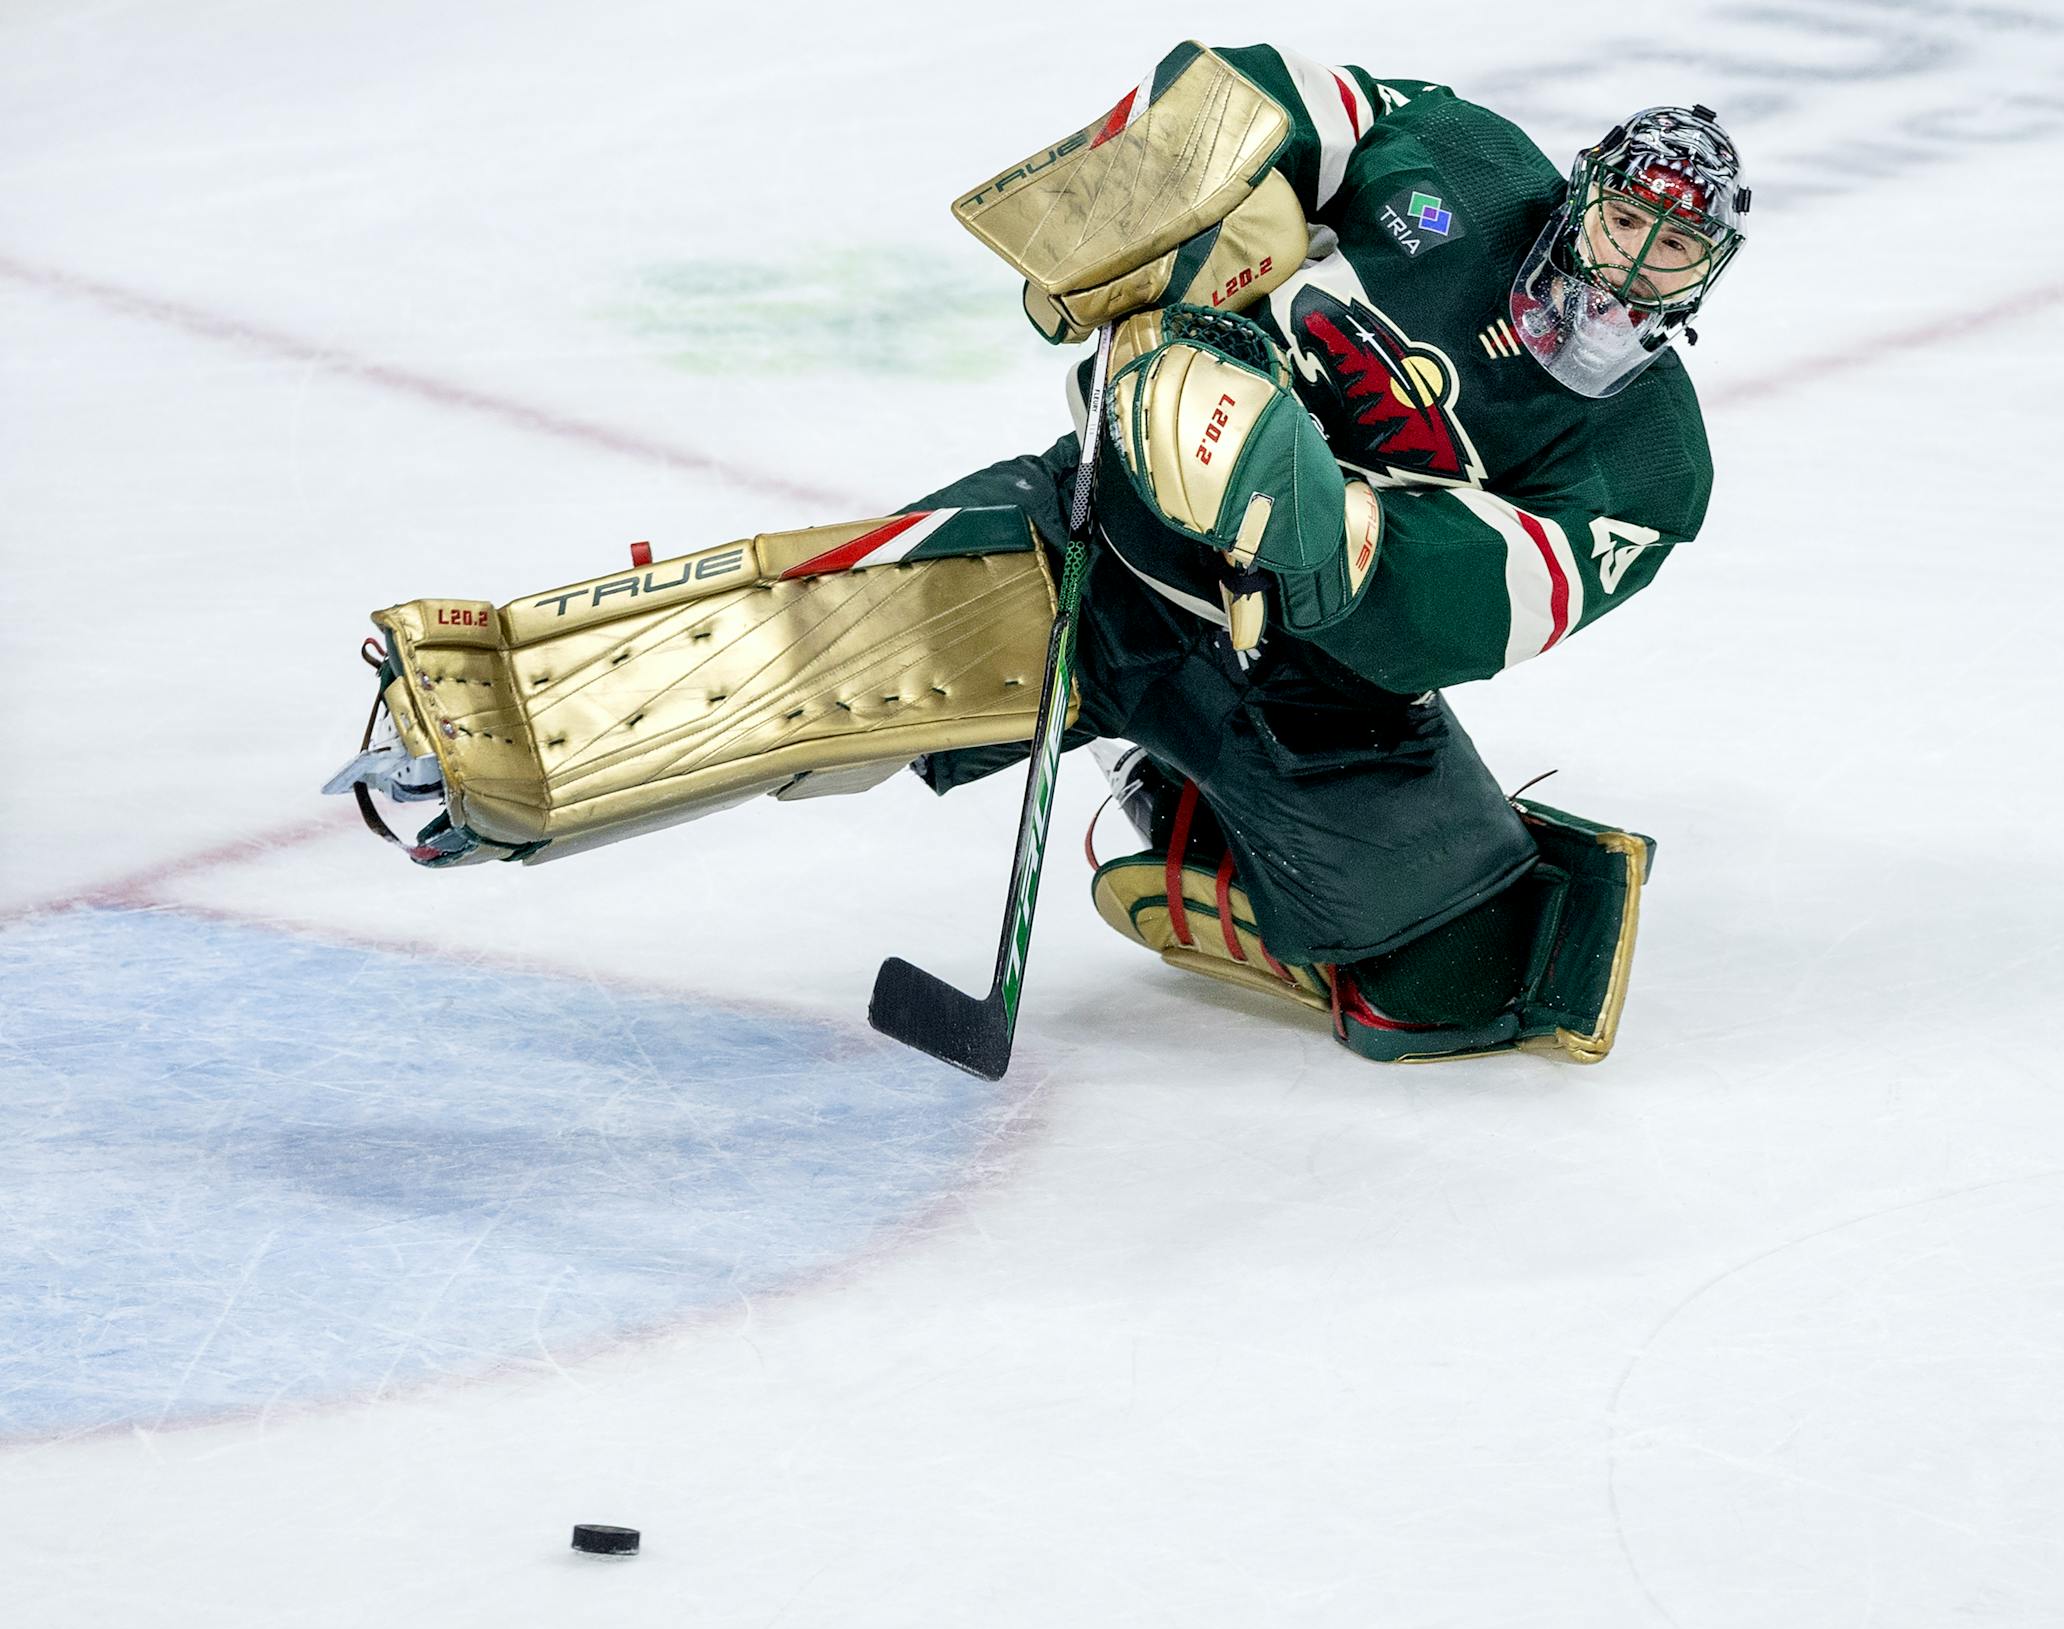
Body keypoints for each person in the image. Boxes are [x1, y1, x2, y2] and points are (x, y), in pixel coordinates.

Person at [325, 43, 1750, 1066]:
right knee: (823, 655)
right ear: (1580, 194)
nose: (1631, 265)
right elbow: (1291, 104)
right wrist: (1153, 223)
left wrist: (1285, 496)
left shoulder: (1650, 463)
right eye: (1625, 219)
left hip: (1311, 681)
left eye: (1672, 255)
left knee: (1461, 979)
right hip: (1102, 551)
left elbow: (1482, 607)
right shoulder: (1465, 172)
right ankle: (479, 745)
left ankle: (1200, 832)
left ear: (1708, 279)